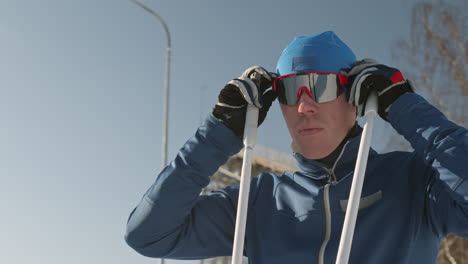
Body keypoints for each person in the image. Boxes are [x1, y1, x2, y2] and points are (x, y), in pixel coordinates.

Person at [125, 31, 468, 264]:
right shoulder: (259, 200)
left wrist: (401, 105)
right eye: (290, 91)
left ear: (355, 98)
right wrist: (218, 133)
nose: (304, 107)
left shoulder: (414, 182)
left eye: (319, 86)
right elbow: (149, 234)